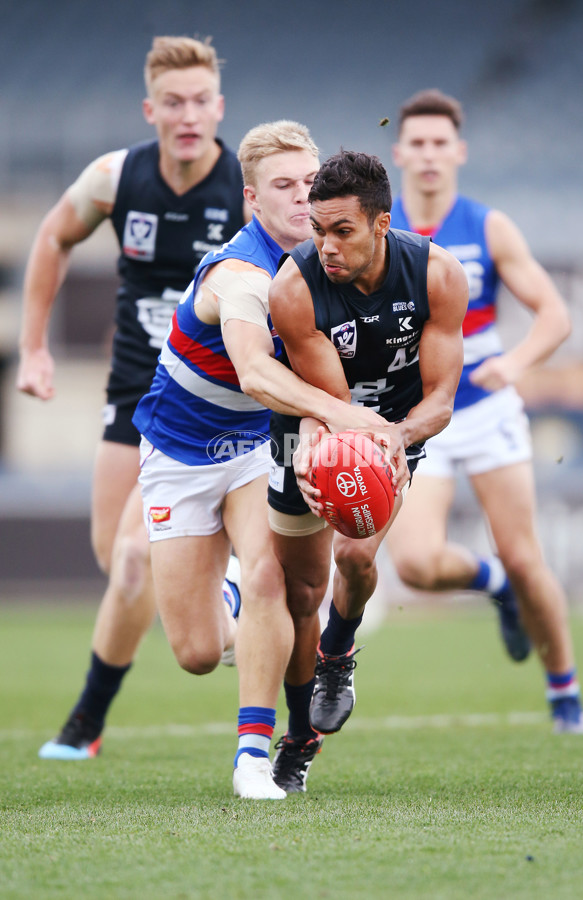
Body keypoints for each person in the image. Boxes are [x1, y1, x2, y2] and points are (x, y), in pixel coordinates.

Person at [132, 122, 391, 799]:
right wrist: (343, 416)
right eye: (284, 185)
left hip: (255, 447)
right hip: (179, 449)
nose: (303, 197)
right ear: (253, 197)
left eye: (311, 182)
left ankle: (255, 758)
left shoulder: (325, 264)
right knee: (194, 653)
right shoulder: (237, 274)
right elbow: (252, 370)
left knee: (275, 579)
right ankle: (231, 597)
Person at [17, 36, 249, 760]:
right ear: (151, 109)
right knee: (117, 563)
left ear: (220, 106)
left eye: (200, 101)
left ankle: (85, 723)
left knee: (132, 560)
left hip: (211, 404)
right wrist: (32, 346)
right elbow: (54, 237)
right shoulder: (116, 178)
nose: (187, 115)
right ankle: (225, 596)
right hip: (134, 395)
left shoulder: (245, 187)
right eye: (172, 103)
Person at [385, 88, 583, 734]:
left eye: (439, 143)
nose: (428, 155)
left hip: (488, 411)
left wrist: (518, 362)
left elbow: (555, 315)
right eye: (416, 143)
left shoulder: (486, 225)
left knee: (531, 559)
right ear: (399, 153)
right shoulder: (380, 228)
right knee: (416, 564)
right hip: (423, 415)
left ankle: (565, 692)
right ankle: (492, 582)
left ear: (460, 152)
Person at [265, 149, 469, 790]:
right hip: (317, 428)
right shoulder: (292, 289)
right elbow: (329, 409)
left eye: (342, 231)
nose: (324, 244)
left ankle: (339, 651)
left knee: (353, 558)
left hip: (396, 429)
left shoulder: (437, 274)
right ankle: (296, 733)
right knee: (299, 595)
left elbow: (440, 397)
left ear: (382, 224)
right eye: (318, 229)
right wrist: (360, 439)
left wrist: (401, 439)